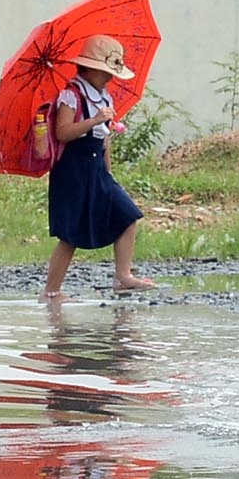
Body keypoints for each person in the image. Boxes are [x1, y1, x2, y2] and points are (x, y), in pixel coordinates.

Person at [43, 35, 156, 300]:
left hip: (96, 168)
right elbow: (63, 132)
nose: (110, 78)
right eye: (106, 72)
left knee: (127, 215)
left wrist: (108, 170)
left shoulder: (104, 98)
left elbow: (104, 139)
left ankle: (123, 275)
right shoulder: (71, 95)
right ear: (91, 68)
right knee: (70, 233)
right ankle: (51, 291)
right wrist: (93, 120)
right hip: (73, 170)